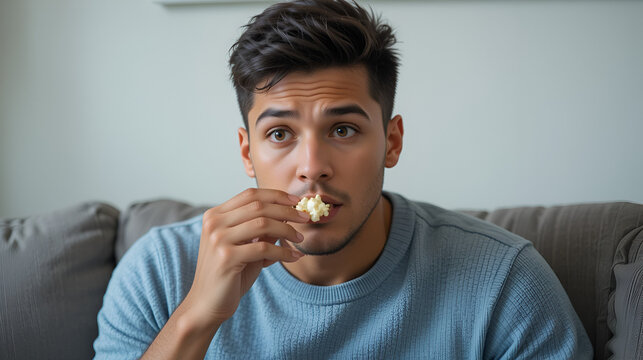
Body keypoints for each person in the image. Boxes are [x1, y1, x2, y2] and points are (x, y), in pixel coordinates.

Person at [93, 0, 593, 358]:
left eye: (343, 128)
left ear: (391, 142)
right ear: (247, 152)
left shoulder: (504, 281)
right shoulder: (156, 273)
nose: (312, 165)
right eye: (281, 133)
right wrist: (196, 319)